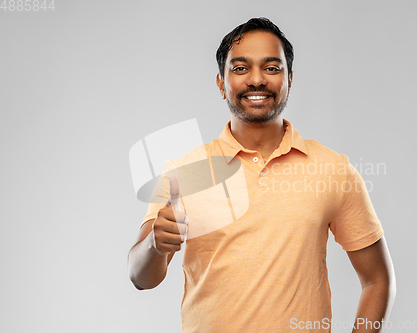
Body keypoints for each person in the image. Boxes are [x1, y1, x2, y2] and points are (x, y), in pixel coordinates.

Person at [128, 17, 396, 333]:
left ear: (290, 79)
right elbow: (140, 277)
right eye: (240, 68)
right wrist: (156, 247)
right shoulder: (185, 172)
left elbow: (377, 279)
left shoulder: (332, 170)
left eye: (271, 68)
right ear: (220, 82)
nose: (257, 80)